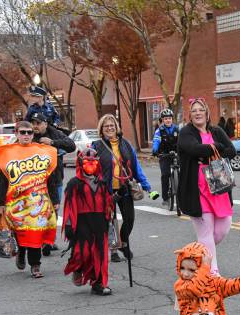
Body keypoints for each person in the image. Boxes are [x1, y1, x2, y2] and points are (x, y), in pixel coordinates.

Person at [177, 98, 236, 275]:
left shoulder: (216, 130)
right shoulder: (186, 132)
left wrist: (210, 150)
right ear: (190, 115)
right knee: (206, 232)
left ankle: (197, 253)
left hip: (219, 187)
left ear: (207, 113)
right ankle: (213, 271)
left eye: (200, 110)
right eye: (194, 111)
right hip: (197, 190)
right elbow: (193, 149)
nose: (197, 113)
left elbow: (231, 150)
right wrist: (216, 149)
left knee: (223, 228)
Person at [0, 121, 60, 278]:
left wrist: (55, 199)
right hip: (15, 202)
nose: (26, 135)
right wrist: (0, 202)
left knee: (35, 233)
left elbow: (50, 178)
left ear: (33, 134)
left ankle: (35, 265)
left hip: (38, 201)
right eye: (22, 132)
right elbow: (4, 180)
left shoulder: (42, 151)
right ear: (16, 133)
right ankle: (20, 252)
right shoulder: (7, 153)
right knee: (19, 232)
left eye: (29, 132)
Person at [91, 113, 157, 263]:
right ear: (101, 129)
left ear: (116, 128)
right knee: (110, 220)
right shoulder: (96, 146)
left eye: (112, 126)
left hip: (124, 188)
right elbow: (90, 167)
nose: (109, 128)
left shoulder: (126, 144)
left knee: (129, 219)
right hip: (105, 190)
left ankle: (123, 242)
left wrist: (146, 185)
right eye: (106, 126)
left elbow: (135, 166)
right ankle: (114, 250)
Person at [62, 148, 113, 295]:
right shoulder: (74, 183)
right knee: (82, 252)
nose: (91, 164)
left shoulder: (102, 183)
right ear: (80, 163)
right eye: (86, 161)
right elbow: (70, 206)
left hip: (100, 222)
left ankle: (99, 284)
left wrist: (113, 200)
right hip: (82, 222)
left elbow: (107, 203)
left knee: (100, 254)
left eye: (94, 162)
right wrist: (69, 225)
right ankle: (78, 268)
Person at [30, 111, 76, 255]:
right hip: (35, 182)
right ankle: (41, 240)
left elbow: (71, 145)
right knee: (37, 211)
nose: (35, 126)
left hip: (55, 179)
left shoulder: (54, 133)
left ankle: (48, 240)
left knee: (53, 211)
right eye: (34, 123)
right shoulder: (28, 134)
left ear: (45, 124)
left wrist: (52, 143)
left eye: (38, 123)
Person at [152, 108, 179, 208]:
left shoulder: (177, 129)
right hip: (164, 155)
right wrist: (155, 150)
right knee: (165, 175)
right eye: (166, 118)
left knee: (183, 172)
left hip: (176, 154)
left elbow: (182, 141)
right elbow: (156, 141)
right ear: (162, 120)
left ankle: (182, 194)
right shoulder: (159, 131)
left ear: (172, 119)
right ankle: (165, 198)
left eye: (169, 118)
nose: (168, 120)